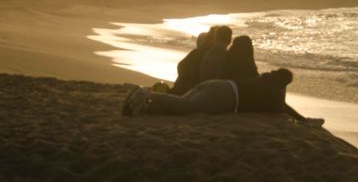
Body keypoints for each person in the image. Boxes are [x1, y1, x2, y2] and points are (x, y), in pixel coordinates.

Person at [122, 68, 322, 126]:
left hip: (219, 84)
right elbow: (283, 107)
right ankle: (147, 94)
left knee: (180, 106)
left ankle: (146, 106)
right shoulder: (272, 92)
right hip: (225, 97)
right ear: (283, 84)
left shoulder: (262, 79)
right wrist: (305, 120)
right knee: (187, 107)